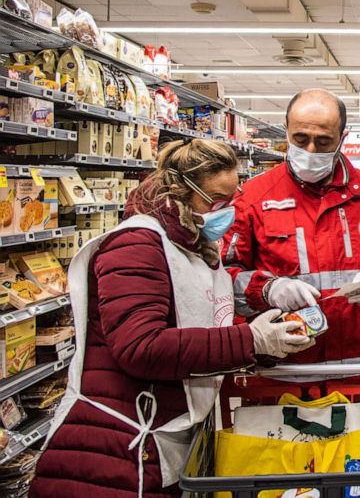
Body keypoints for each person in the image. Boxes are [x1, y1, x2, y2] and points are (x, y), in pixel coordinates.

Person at [31, 139, 314, 498]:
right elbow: (141, 347)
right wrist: (249, 340)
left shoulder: (192, 245)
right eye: (216, 200)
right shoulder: (136, 244)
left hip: (152, 440)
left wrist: (267, 340)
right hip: (110, 453)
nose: (225, 211)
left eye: (231, 199)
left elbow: (195, 324)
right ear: (181, 190)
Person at [222, 89, 360, 364]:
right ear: (286, 131)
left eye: (324, 141)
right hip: (282, 366)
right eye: (300, 139)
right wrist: (267, 289)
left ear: (342, 139)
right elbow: (222, 276)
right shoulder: (252, 196)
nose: (311, 150)